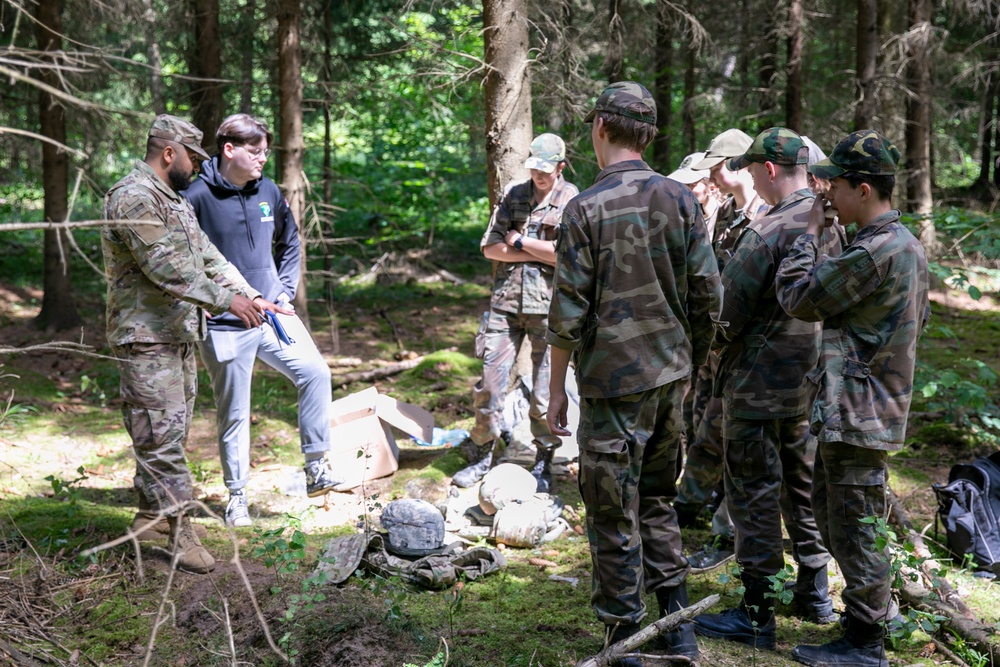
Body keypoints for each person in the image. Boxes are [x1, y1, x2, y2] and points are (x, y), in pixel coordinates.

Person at [547, 81, 721, 665]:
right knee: (656, 499)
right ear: (647, 134)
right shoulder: (682, 199)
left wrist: (555, 394)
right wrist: (690, 365)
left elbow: (566, 315)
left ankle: (624, 635)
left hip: (612, 385)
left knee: (610, 509)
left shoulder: (585, 208)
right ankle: (678, 626)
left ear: (600, 126)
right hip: (670, 376)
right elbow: (708, 294)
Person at [103, 115, 288, 573]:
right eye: (192, 156)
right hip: (145, 339)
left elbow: (208, 256)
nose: (196, 165)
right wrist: (230, 301)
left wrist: (252, 296)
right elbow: (166, 268)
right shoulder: (133, 197)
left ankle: (151, 516)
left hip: (178, 334)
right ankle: (181, 534)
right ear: (170, 153)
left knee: (168, 434)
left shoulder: (173, 200)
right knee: (161, 439)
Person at [776, 130, 930, 667]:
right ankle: (870, 620)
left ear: (863, 190)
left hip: (858, 408)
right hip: (868, 404)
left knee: (853, 521)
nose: (827, 195)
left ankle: (866, 643)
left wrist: (810, 237)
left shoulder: (874, 251)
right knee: (837, 511)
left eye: (835, 186)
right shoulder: (906, 245)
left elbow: (800, 297)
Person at [692, 128, 841, 649]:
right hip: (811, 380)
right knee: (801, 487)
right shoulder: (831, 219)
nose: (752, 177)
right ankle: (815, 591)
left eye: (754, 169)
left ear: (770, 170)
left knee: (753, 492)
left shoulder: (770, 229)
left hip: (757, 384)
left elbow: (725, 312)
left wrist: (707, 349)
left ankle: (756, 614)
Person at [184, 113, 340, 528]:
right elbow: (187, 261)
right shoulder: (196, 197)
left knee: (316, 373)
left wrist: (283, 291)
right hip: (224, 320)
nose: (263, 160)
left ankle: (316, 466)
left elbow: (291, 243)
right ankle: (237, 497)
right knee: (234, 410)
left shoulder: (268, 190)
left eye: (266, 152)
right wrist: (209, 301)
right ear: (229, 150)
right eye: (255, 152)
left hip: (273, 313)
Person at [452, 133, 579, 492]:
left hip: (549, 310)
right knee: (490, 386)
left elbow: (565, 255)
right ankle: (482, 452)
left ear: (560, 166)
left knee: (544, 393)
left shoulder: (571, 200)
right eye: (534, 168)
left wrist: (520, 242)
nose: (539, 175)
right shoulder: (514, 194)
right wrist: (536, 250)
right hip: (505, 305)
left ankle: (543, 460)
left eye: (546, 169)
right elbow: (491, 248)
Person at [674, 128, 769, 569]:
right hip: (721, 348)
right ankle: (690, 510)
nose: (710, 173)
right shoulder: (731, 212)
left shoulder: (771, 214)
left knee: (733, 443)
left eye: (715, 163)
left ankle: (725, 531)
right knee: (711, 433)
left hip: (762, 356)